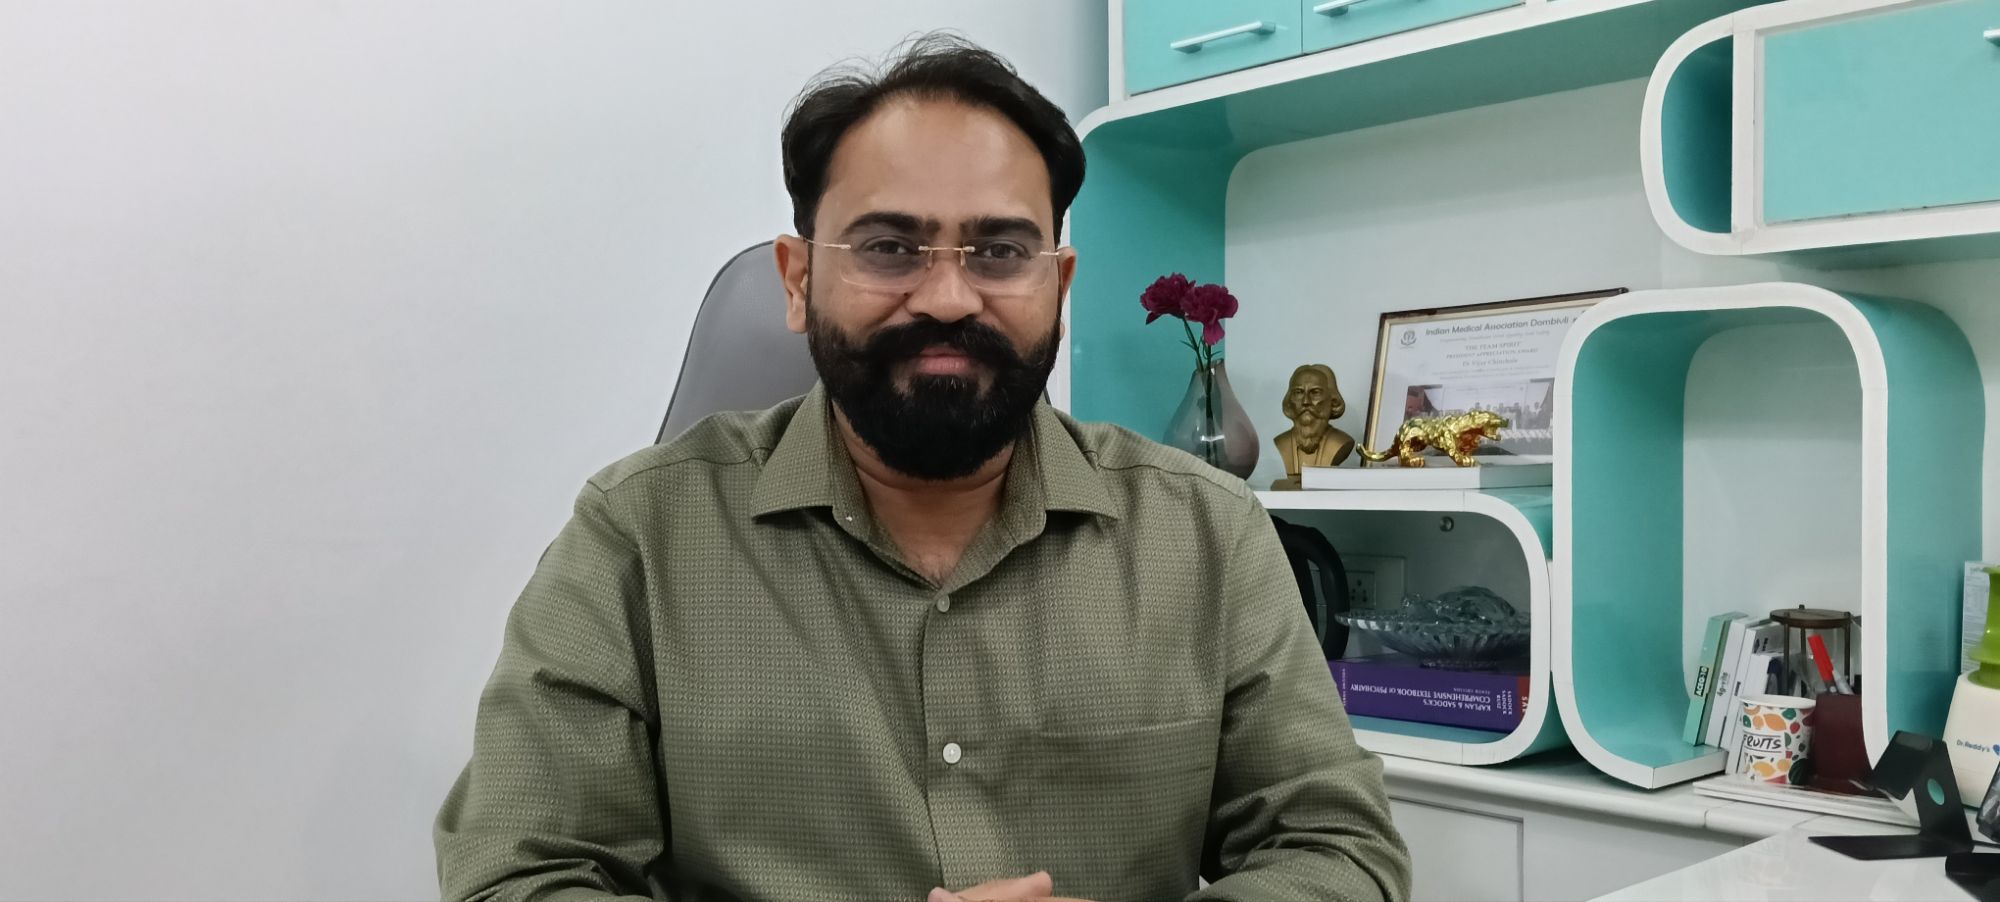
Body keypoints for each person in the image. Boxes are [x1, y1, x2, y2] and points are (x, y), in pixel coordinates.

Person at [434, 34, 1409, 902]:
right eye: (890, 246)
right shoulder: (636, 537)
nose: (947, 297)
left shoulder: (1206, 534)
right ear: (798, 279)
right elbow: (517, 872)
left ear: (1058, 284)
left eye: (1000, 250)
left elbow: (1338, 851)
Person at [1271, 364, 1355, 489]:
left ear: (1332, 400)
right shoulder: (1282, 441)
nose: (1306, 401)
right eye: (1298, 392)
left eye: (1315, 392)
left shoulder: (1341, 442)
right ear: (1290, 400)